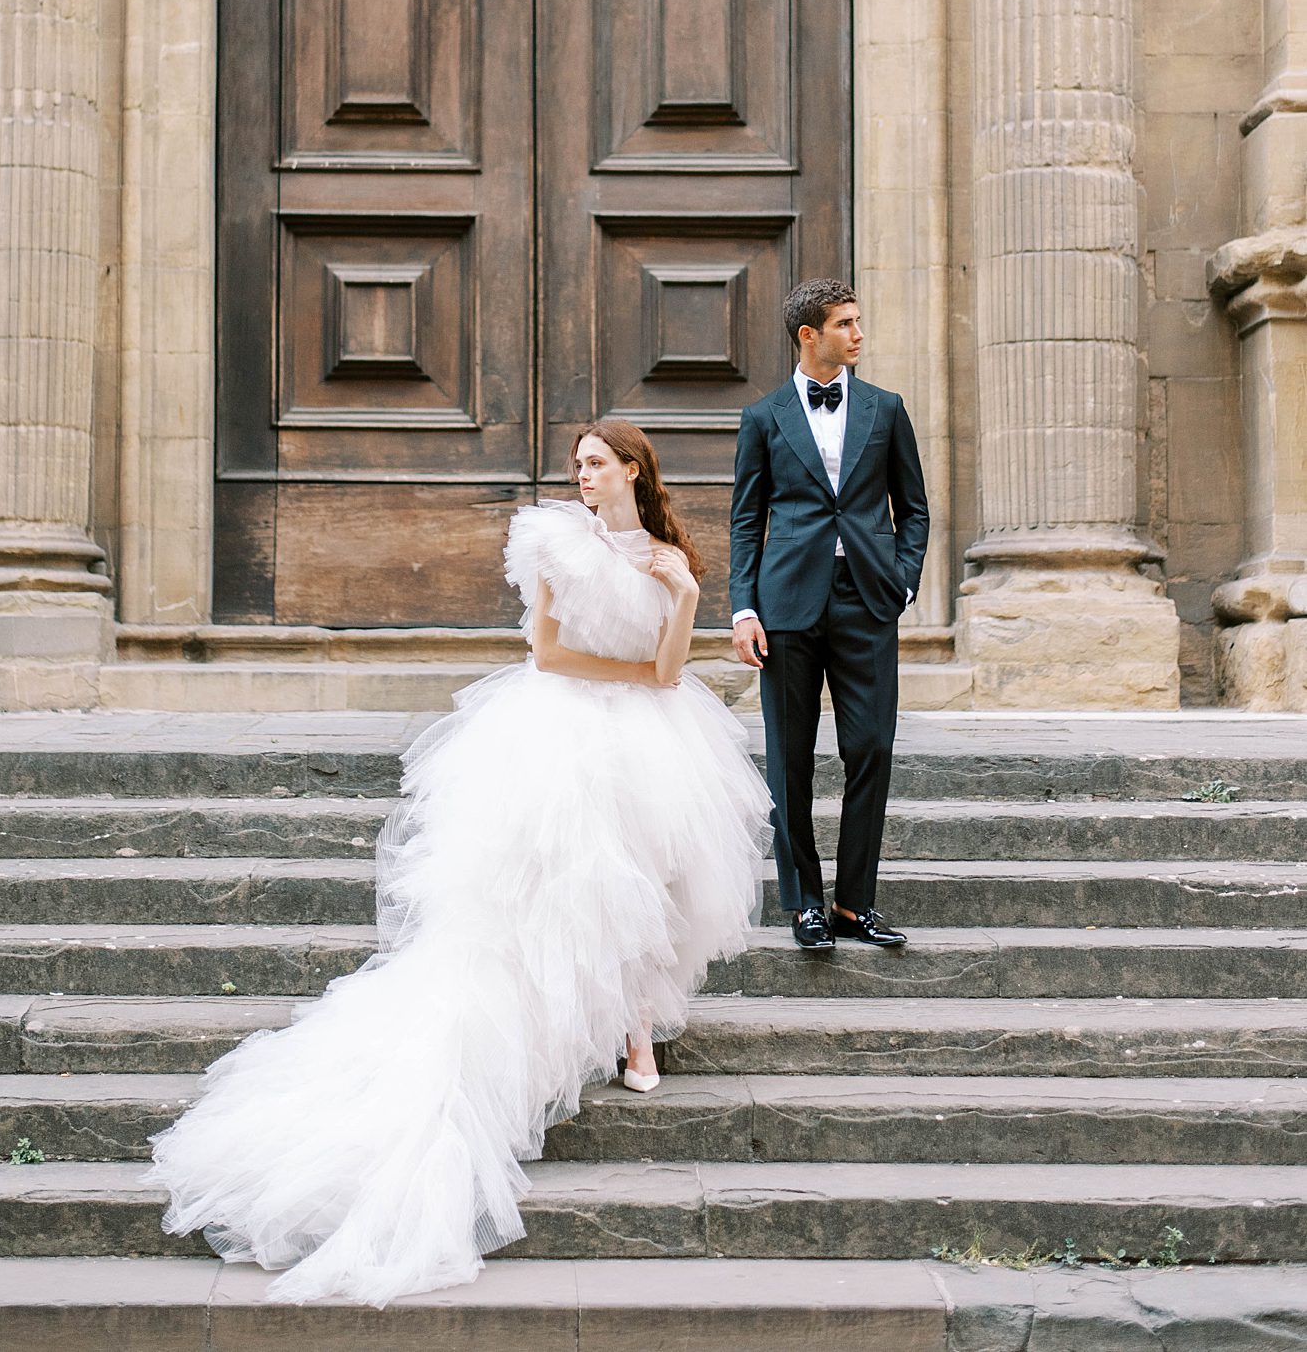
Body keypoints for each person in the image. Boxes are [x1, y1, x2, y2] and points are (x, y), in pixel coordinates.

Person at [150, 418, 770, 1306]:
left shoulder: (672, 554)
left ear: (634, 468)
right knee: (568, 875)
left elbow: (673, 671)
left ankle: (636, 1024)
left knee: (652, 866)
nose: (583, 475)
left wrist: (684, 598)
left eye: (597, 463)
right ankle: (576, 1021)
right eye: (578, 464)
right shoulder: (557, 539)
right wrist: (630, 684)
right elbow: (549, 652)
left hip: (650, 727)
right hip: (561, 721)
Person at [730, 277, 929, 954]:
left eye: (859, 320)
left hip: (867, 598)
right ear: (808, 334)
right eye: (845, 323)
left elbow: (915, 507)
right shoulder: (763, 417)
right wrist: (744, 607)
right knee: (789, 758)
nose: (859, 333)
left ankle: (854, 904)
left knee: (870, 746)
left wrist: (904, 581)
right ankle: (806, 902)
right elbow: (747, 519)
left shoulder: (886, 407)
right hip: (786, 604)